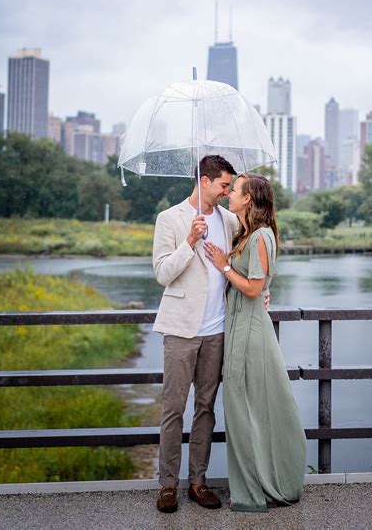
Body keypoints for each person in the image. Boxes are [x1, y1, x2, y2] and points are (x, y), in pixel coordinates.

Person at [204, 173, 306, 513]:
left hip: (249, 330)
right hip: (238, 325)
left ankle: (257, 488)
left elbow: (252, 288)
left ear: (248, 199)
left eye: (234, 190)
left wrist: (223, 267)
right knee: (240, 407)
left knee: (247, 407)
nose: (230, 194)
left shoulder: (261, 236)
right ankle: (251, 484)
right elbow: (257, 286)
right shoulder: (246, 233)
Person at [152, 155, 237, 513]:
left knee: (206, 408)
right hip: (181, 330)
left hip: (217, 330)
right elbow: (161, 273)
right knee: (173, 408)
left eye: (230, 188)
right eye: (222, 186)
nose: (226, 192)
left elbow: (243, 262)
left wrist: (262, 288)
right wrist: (189, 241)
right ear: (204, 181)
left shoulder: (230, 220)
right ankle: (168, 485)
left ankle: (198, 482)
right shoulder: (169, 218)